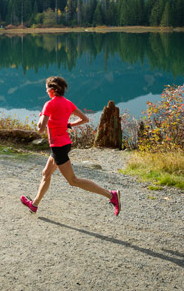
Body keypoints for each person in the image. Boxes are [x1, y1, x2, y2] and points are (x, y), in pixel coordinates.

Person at [21, 76, 120, 215]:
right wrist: (69, 124)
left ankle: (111, 195)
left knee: (73, 180)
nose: (46, 92)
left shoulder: (49, 104)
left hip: (58, 147)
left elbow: (40, 128)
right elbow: (85, 119)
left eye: (47, 89)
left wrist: (41, 117)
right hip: (65, 144)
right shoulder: (68, 103)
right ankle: (34, 204)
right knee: (46, 173)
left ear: (52, 90)